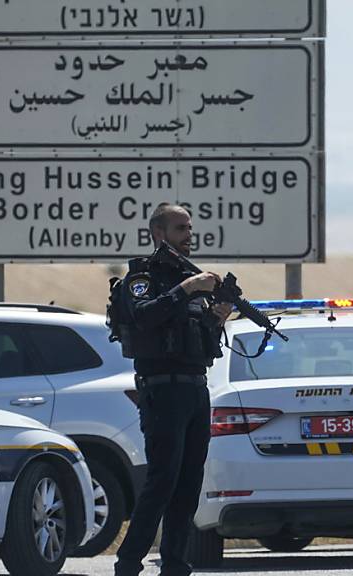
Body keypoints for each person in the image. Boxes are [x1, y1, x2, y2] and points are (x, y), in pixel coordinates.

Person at [111, 204, 232, 576]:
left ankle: (176, 564)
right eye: (181, 228)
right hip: (162, 391)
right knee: (163, 479)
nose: (189, 234)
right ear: (159, 233)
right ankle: (129, 562)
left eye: (190, 227)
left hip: (196, 388)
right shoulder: (142, 278)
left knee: (189, 481)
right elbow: (145, 315)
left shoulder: (191, 280)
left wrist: (218, 316)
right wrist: (187, 288)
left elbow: (202, 344)